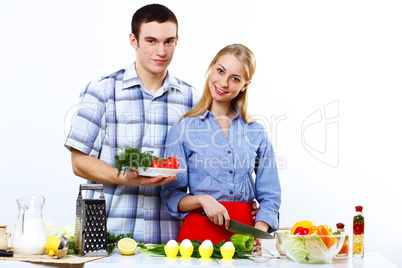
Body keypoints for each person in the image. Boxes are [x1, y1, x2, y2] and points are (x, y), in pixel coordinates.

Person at [64, 4, 199, 244]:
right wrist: (124, 177)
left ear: (177, 41)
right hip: (106, 237)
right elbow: (79, 162)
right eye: (151, 41)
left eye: (168, 41)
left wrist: (241, 203)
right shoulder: (101, 91)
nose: (161, 51)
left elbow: (203, 169)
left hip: (169, 242)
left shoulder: (192, 99)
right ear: (133, 40)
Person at [161, 44, 281, 247]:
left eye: (235, 78)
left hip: (244, 238)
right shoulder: (183, 128)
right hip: (197, 236)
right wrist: (202, 200)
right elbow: (171, 194)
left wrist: (257, 233)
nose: (223, 83)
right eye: (220, 71)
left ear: (245, 85)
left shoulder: (256, 132)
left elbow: (271, 195)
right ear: (211, 67)